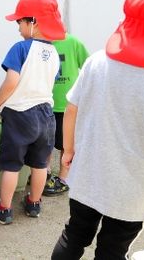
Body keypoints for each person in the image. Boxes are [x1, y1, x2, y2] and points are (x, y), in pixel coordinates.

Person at [51, 0, 144, 260]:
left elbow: (72, 108)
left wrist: (69, 150)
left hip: (88, 175)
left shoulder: (97, 62)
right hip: (131, 191)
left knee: (74, 235)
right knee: (112, 251)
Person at [0, 0, 65, 223]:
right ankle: (33, 205)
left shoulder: (20, 48)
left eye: (20, 22)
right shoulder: (53, 53)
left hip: (20, 114)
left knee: (12, 165)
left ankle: (4, 209)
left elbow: (11, 81)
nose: (18, 27)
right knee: (40, 164)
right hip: (46, 115)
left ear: (33, 22)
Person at [43, 34, 89, 196]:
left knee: (66, 144)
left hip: (67, 105)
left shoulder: (73, 42)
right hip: (47, 102)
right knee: (46, 141)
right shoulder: (41, 44)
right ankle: (45, 172)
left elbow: (87, 66)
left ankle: (64, 178)